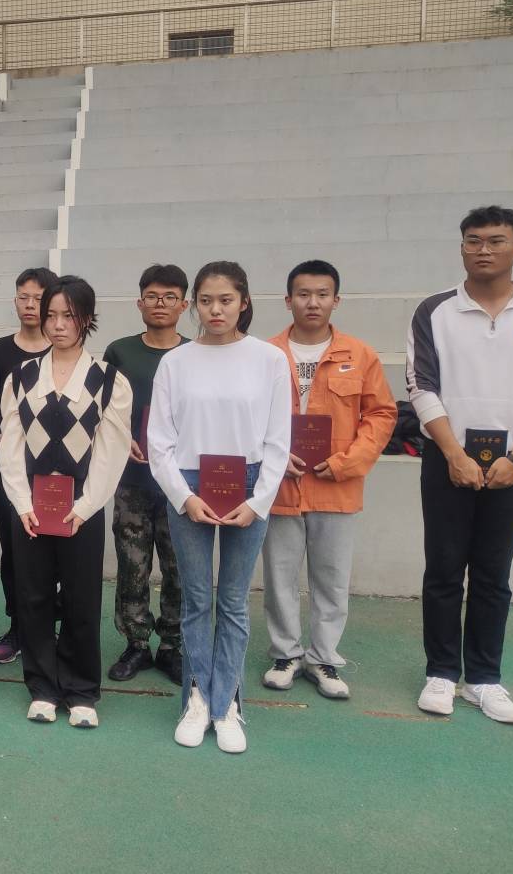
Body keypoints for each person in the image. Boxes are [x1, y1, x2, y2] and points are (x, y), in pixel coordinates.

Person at [148, 261, 290, 754]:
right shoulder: (176, 363)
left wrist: (258, 501)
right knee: (195, 600)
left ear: (244, 302)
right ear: (194, 304)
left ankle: (227, 702)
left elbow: (278, 441)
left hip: (248, 485)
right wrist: (184, 497)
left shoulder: (269, 360)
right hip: (188, 484)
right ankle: (196, 698)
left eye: (226, 300)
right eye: (206, 301)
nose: (215, 310)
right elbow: (159, 442)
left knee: (232, 601)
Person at [0, 276, 133, 728]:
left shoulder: (109, 380)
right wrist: (22, 503)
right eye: (51, 315)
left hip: (81, 510)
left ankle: (81, 691)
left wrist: (85, 506)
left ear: (87, 319)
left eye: (68, 316)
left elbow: (111, 451)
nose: (57, 324)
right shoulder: (21, 376)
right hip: (30, 510)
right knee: (33, 596)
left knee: (81, 597)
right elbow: (10, 444)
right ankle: (42, 687)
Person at [408, 205, 513, 724]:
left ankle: (483, 679)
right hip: (446, 460)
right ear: (461, 247)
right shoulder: (434, 310)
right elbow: (421, 385)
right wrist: (454, 453)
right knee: (444, 570)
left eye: (495, 240)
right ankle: (440, 673)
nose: (483, 249)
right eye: (473, 240)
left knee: (494, 575)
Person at [262, 260, 396, 700]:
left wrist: (348, 462)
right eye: (303, 294)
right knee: (279, 577)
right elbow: (248, 416)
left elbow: (381, 414)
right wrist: (273, 457)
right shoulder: (265, 354)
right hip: (280, 486)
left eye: (322, 294)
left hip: (336, 486)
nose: (312, 302)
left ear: (336, 300)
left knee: (332, 578)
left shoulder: (359, 355)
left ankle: (323, 658)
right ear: (288, 300)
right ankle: (285, 654)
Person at [102, 264, 190, 686]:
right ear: (139, 303)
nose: (160, 304)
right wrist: (123, 441)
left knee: (179, 567)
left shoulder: (195, 353)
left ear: (184, 305)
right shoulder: (119, 352)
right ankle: (136, 643)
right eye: (152, 296)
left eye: (170, 297)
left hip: (181, 485)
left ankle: (172, 645)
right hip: (132, 480)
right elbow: (105, 409)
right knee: (132, 565)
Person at [0, 268, 58, 665]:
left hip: (57, 470)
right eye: (23, 297)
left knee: (55, 548)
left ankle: (50, 627)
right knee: (14, 548)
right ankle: (18, 626)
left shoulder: (63, 348)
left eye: (38, 298)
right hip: (12, 470)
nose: (30, 305)